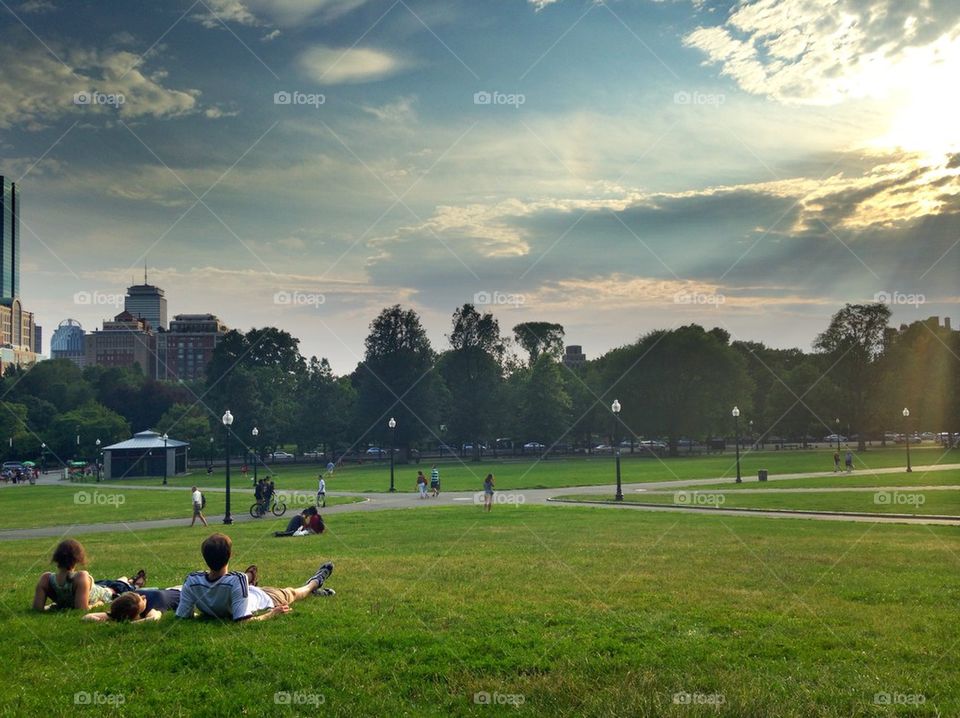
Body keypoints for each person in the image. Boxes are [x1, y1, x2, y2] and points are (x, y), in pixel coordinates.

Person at [176, 533, 334, 622]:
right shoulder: (237, 579)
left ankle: (251, 579)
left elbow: (183, 615)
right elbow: (243, 621)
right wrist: (272, 614)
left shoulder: (192, 580)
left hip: (249, 592)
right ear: (230, 555)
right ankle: (315, 583)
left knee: (249, 585)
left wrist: (205, 614)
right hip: (266, 598)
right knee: (293, 592)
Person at [32, 539, 145, 611]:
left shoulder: (45, 579)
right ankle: (133, 583)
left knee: (118, 581)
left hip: (97, 587)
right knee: (122, 585)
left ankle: (129, 580)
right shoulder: (81, 578)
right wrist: (99, 603)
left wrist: (54, 607)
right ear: (78, 559)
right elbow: (81, 609)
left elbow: (37, 608)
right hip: (109, 593)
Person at [83, 587, 182, 623]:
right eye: (141, 600)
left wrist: (128, 623)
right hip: (163, 591)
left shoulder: (151, 605)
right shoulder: (121, 611)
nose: (143, 597)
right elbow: (87, 617)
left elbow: (154, 618)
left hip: (178, 591)